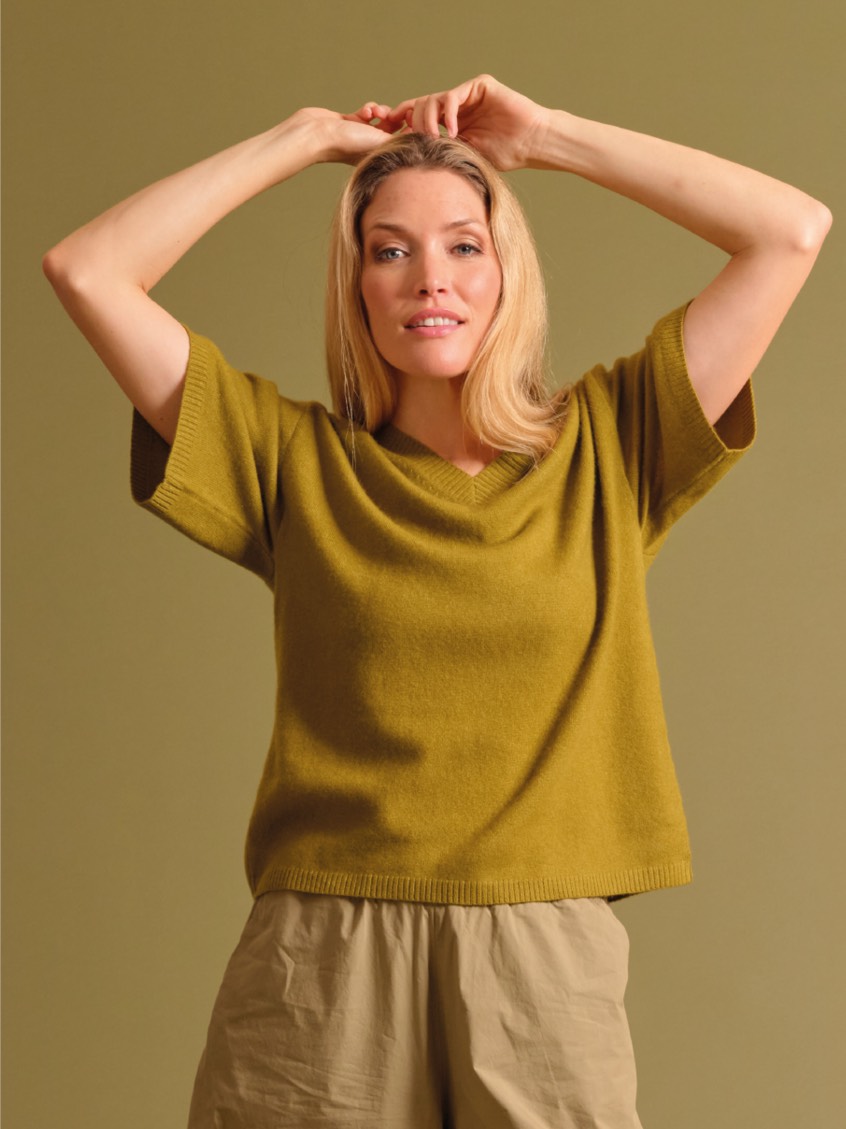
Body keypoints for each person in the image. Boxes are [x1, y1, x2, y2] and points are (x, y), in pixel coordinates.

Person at [43, 75, 830, 1129]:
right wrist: (300, 141)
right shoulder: (290, 461)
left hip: (542, 954)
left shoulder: (613, 442)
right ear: (357, 283)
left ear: (507, 273)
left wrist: (549, 137)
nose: (431, 279)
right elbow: (88, 270)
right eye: (390, 250)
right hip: (323, 953)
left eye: (465, 244)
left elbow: (790, 231)